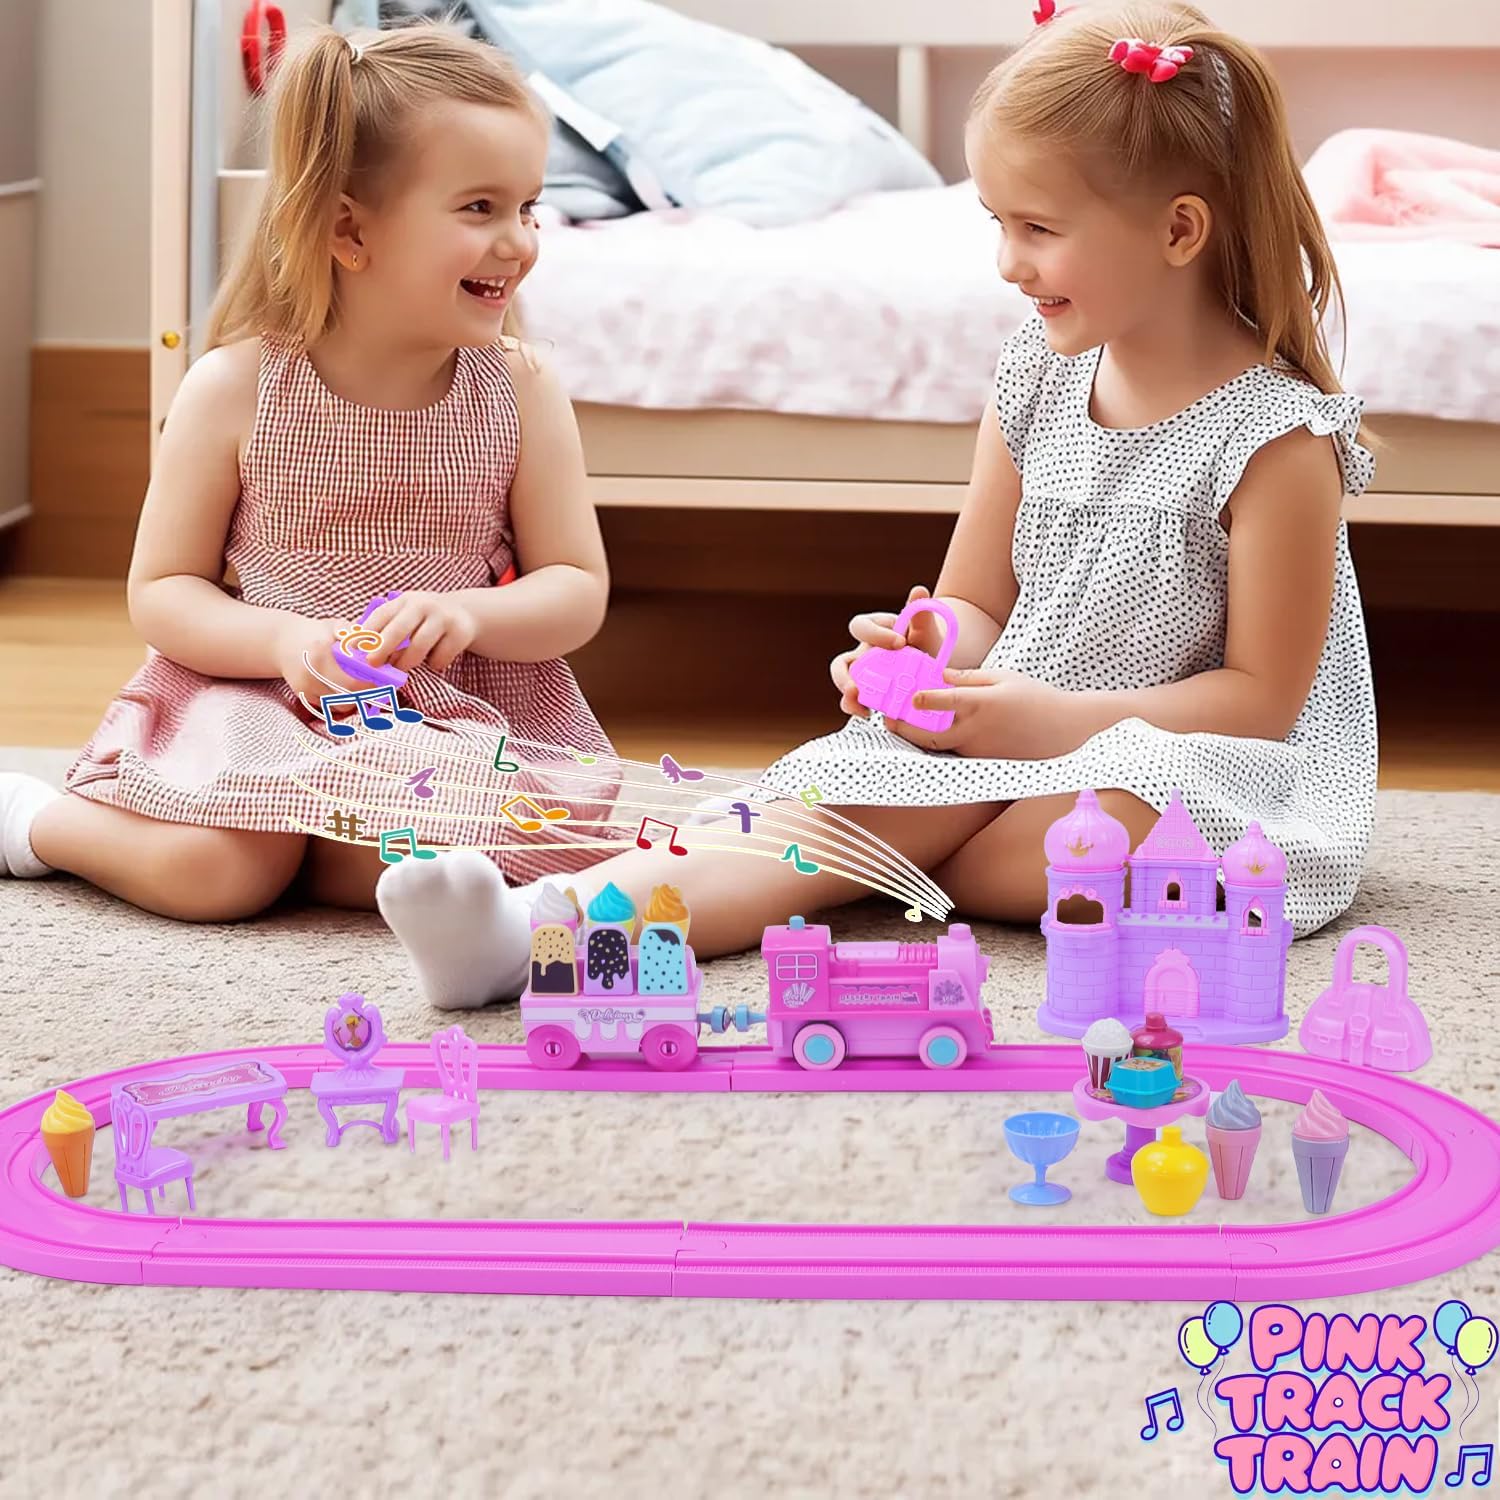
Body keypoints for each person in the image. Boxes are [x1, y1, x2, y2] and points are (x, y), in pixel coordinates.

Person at [367, 0, 1378, 1008]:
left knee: (1044, 836)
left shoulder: (1277, 440)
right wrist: (929, 650)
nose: (1008, 263)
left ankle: (889, 854)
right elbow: (974, 602)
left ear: (1180, 231)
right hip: (1014, 735)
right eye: (998, 224)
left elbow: (1261, 702)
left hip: (1197, 768)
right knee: (845, 797)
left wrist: (1048, 723)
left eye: (1038, 229)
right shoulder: (1037, 375)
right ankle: (537, 928)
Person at [0, 25, 618, 922]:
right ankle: (34, 820)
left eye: (528, 207)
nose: (518, 242)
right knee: (218, 875)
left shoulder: (520, 387)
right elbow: (164, 591)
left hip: (438, 715)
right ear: (348, 230)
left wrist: (470, 615)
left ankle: (306, 847)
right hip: (254, 693)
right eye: (479, 208)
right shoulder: (236, 386)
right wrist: (287, 643)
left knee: (425, 861)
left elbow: (576, 587)